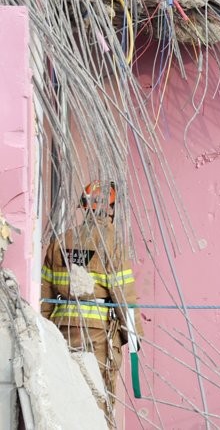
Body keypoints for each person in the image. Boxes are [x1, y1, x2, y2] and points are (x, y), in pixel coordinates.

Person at [41, 181, 142, 425]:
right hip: (97, 338)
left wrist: (43, 331)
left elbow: (44, 297)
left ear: (85, 206)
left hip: (59, 332)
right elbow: (123, 297)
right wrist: (135, 337)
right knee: (98, 400)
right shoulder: (113, 244)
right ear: (112, 209)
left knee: (63, 396)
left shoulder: (59, 242)